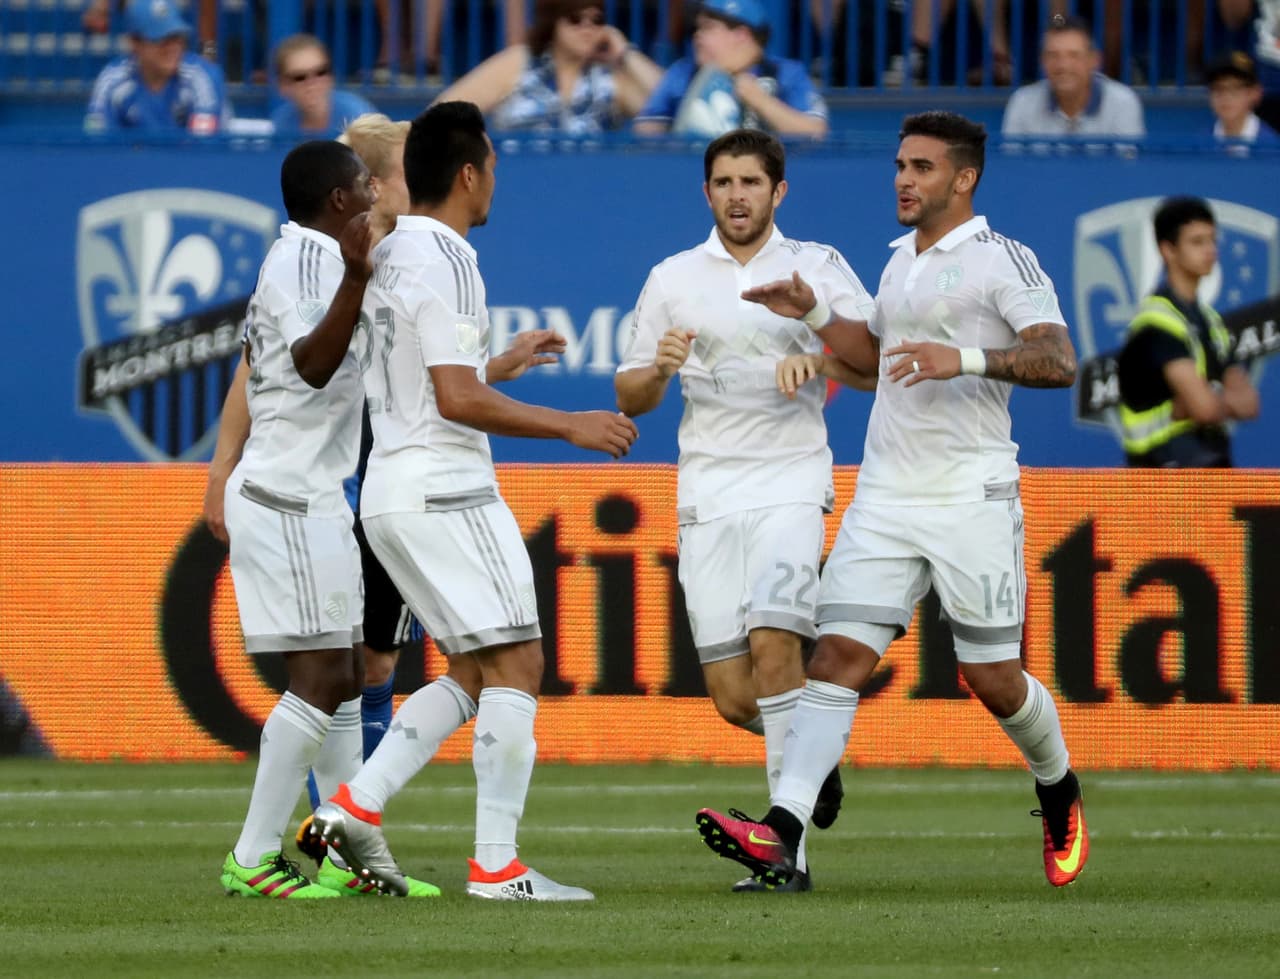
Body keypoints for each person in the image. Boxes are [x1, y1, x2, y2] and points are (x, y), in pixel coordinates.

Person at [694, 111, 1089, 891]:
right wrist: (811, 312)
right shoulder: (898, 262)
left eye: (922, 167)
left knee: (994, 677)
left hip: (969, 490)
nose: (904, 180)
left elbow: (1060, 357)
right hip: (885, 491)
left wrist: (965, 357)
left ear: (964, 178)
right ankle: (782, 832)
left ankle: (1058, 782)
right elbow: (872, 357)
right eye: (900, 165)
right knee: (835, 659)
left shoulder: (1000, 258)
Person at [310, 101, 638, 901]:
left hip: (389, 487)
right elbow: (453, 402)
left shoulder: (391, 255)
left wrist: (499, 363)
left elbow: (432, 385)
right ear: (467, 173)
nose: (495, 180)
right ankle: (497, 864)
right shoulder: (450, 257)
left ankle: (353, 806)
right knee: (520, 661)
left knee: (470, 666)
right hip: (446, 485)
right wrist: (571, 424)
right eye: (491, 164)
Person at [615, 129, 873, 893]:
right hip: (708, 491)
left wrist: (821, 357)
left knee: (774, 645)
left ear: (778, 191)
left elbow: (871, 364)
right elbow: (629, 393)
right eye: (724, 182)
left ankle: (784, 856)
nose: (737, 195)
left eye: (751, 182)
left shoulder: (817, 267)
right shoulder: (673, 276)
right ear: (707, 193)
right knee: (735, 698)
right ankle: (811, 756)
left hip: (791, 482)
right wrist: (657, 373)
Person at [214, 140, 443, 899]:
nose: (374, 192)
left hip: (315, 496)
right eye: (362, 184)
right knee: (321, 677)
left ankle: (344, 855)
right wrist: (355, 274)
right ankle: (251, 856)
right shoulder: (310, 262)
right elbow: (313, 364)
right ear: (337, 201)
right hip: (286, 497)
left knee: (344, 680)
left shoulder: (310, 258)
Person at [1117, 197, 1260, 467]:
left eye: (1212, 240)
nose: (1210, 250)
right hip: (1162, 473)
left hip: (1210, 464)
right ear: (1167, 250)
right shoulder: (1156, 322)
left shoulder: (1210, 320)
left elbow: (1250, 403)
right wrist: (1214, 402)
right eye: (1197, 241)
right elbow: (1204, 408)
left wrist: (1198, 403)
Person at [433, 0, 661, 134]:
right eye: (575, 18)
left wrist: (625, 53)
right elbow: (441, 114)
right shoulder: (519, 63)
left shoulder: (609, 79)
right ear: (554, 21)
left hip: (589, 190)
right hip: (520, 186)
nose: (587, 27)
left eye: (597, 20)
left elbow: (671, 107)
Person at [633, 0, 828, 139]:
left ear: (741, 35)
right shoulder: (682, 72)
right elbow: (645, 131)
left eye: (708, 28)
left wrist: (759, 100)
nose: (697, 36)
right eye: (697, 28)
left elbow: (815, 131)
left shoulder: (786, 73)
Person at [84, 0, 227, 134]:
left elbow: (203, 149)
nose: (173, 47)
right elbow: (96, 141)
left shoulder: (202, 76)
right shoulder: (112, 80)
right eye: (162, 39)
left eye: (177, 37)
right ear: (135, 43)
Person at [1001, 14, 1144, 137]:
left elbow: (1128, 168)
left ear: (1094, 61)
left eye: (1074, 55)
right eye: (1053, 55)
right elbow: (1013, 166)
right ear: (1042, 61)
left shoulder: (1122, 102)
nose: (1063, 65)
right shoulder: (1022, 103)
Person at [271, 34, 377, 137]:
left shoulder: (358, 117)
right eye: (299, 77)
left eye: (321, 72)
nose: (312, 83)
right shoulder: (282, 123)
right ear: (283, 86)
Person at [1206, 51, 1280, 151]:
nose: (1226, 96)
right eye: (1218, 88)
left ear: (1255, 93)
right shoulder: (1199, 144)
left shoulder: (1272, 146)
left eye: (1236, 88)